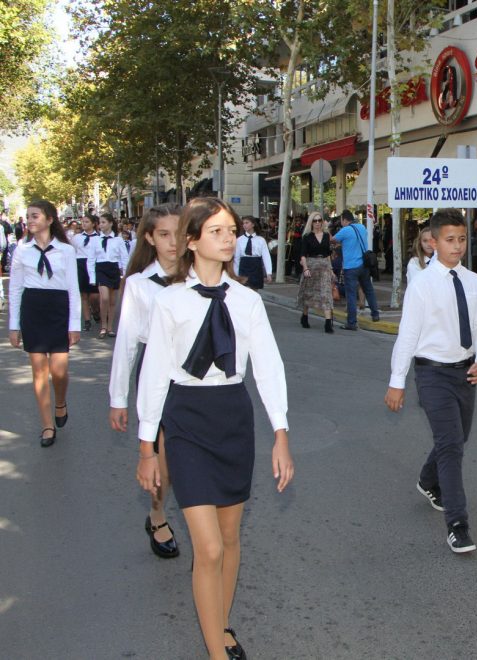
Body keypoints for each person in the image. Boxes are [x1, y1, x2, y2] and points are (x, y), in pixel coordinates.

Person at [135, 197, 294, 659]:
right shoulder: (168, 301)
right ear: (192, 240)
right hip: (185, 420)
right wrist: (147, 448)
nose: (228, 239)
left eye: (232, 231)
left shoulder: (247, 301)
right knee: (207, 548)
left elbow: (268, 367)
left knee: (228, 539)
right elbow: (153, 377)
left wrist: (280, 436)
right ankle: (216, 651)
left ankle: (220, 625)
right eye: (218, 232)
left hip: (232, 417)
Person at [385, 209, 477, 554]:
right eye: (450, 240)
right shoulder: (422, 285)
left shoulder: (475, 282)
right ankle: (457, 523)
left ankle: (427, 480)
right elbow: (407, 335)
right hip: (431, 373)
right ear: (433, 242)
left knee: (458, 438)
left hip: (465, 372)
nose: (458, 246)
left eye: (462, 239)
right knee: (450, 445)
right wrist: (396, 380)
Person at [108, 204, 182, 559]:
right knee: (162, 462)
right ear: (150, 238)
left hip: (197, 382)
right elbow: (126, 343)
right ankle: (157, 514)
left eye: (179, 233)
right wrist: (118, 397)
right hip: (157, 381)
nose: (173, 242)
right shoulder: (139, 286)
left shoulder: (203, 278)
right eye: (164, 234)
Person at [7, 200, 81, 447]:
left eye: (35, 216)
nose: (30, 220)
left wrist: (74, 324)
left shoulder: (66, 251)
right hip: (33, 309)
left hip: (58, 308)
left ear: (49, 219)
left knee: (59, 371)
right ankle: (47, 425)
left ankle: (60, 402)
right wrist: (14, 325)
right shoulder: (21, 250)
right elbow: (15, 288)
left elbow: (73, 288)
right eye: (28, 216)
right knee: (39, 370)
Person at [332, 209, 380, 330]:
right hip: (364, 265)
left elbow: (332, 240)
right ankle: (375, 314)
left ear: (344, 219)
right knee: (368, 289)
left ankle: (352, 322)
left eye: (341, 221)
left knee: (351, 294)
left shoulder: (345, 230)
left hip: (351, 267)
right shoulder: (362, 228)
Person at [297, 212, 336, 333]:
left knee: (326, 293)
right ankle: (304, 316)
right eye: (315, 221)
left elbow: (329, 255)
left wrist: (331, 270)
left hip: (324, 266)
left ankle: (328, 323)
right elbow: (303, 255)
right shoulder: (307, 236)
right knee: (309, 293)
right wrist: (305, 268)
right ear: (311, 222)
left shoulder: (326, 235)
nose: (318, 223)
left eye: (320, 220)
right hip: (311, 265)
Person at [92, 213, 128, 338]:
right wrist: (92, 277)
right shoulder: (95, 239)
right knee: (105, 298)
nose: (101, 225)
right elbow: (91, 259)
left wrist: (125, 274)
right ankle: (103, 326)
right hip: (101, 268)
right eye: (100, 222)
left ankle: (110, 327)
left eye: (103, 222)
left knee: (112, 301)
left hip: (113, 269)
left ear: (111, 223)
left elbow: (124, 257)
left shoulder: (118, 240)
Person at [71, 214, 101, 331]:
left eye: (87, 222)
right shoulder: (77, 238)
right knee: (84, 295)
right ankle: (87, 320)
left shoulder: (99, 238)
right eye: (83, 222)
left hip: (94, 265)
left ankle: (95, 311)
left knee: (94, 296)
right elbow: (72, 250)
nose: (84, 224)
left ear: (93, 224)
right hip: (81, 264)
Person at [232, 216, 272, 290]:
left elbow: (266, 256)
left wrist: (268, 273)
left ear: (253, 224)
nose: (244, 225)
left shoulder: (261, 240)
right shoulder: (239, 240)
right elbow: (236, 258)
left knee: (254, 290)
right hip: (244, 266)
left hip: (256, 266)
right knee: (244, 290)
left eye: (247, 223)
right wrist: (236, 274)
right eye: (243, 223)